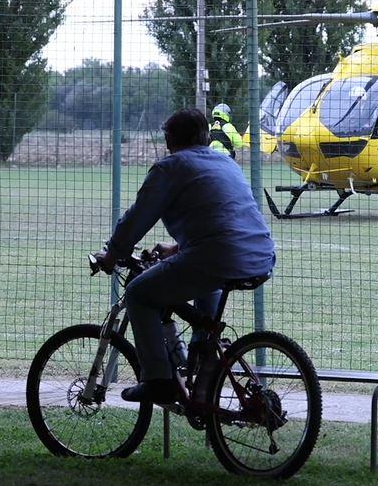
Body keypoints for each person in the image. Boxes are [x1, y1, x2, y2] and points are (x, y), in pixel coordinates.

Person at [93, 108, 275, 404]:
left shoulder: (170, 167)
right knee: (208, 291)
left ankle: (158, 381)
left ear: (169, 139)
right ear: (205, 136)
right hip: (259, 255)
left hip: (216, 256)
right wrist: (177, 249)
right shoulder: (225, 163)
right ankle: (202, 376)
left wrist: (113, 254)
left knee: (138, 293)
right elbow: (224, 219)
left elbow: (138, 218)